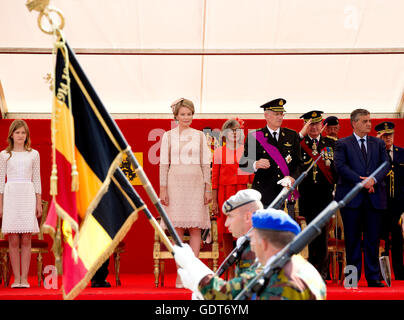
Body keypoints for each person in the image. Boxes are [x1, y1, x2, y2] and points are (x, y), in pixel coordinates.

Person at [173, 207, 326, 300]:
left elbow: (231, 294)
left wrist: (198, 277)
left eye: (253, 239)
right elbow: (237, 289)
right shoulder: (303, 268)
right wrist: (198, 273)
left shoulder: (281, 276)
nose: (251, 245)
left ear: (264, 242)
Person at [159, 98, 212, 288]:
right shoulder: (167, 136)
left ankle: (194, 274)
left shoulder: (199, 136)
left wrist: (208, 188)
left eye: (189, 114)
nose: (186, 117)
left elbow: (206, 164)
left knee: (196, 229)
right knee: (177, 231)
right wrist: (163, 188)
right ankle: (181, 274)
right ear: (176, 116)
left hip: (196, 184)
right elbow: (164, 164)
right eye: (183, 114)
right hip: (174, 184)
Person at [334, 109, 389, 287]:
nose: (369, 124)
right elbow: (340, 166)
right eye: (365, 121)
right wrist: (361, 181)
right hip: (351, 199)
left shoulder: (378, 143)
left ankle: (373, 278)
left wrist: (373, 179)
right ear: (354, 123)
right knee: (352, 240)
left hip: (374, 198)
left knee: (372, 239)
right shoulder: (342, 143)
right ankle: (352, 279)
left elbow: (386, 163)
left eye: (369, 120)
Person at [0, 120, 42, 288]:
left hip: (27, 195)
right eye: (17, 132)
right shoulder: (4, 155)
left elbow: (37, 179)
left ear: (27, 135)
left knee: (26, 239)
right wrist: (1, 204)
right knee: (13, 240)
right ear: (11, 134)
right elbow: (0, 182)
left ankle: (24, 279)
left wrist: (38, 202)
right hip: (11, 196)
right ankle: (15, 279)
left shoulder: (34, 154)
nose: (20, 135)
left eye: (23, 133)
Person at [239, 98, 303, 207]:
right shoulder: (255, 136)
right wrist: (255, 164)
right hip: (263, 193)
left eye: (281, 114)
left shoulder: (291, 136)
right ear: (266, 115)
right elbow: (243, 164)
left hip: (285, 191)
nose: (280, 117)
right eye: (276, 114)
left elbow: (299, 164)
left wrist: (293, 177)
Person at [297, 110, 336, 280]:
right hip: (306, 196)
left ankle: (321, 270)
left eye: (317, 124)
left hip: (325, 195)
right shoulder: (299, 144)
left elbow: (336, 169)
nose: (314, 127)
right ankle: (312, 270)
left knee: (323, 234)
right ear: (305, 126)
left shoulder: (331, 144)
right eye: (310, 124)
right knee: (311, 234)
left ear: (322, 125)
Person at [211, 118, 254, 272]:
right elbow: (214, 179)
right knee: (227, 232)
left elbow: (252, 177)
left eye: (237, 130)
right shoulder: (218, 152)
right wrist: (214, 201)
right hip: (224, 195)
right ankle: (229, 269)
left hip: (242, 194)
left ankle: (243, 268)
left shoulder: (247, 151)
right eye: (231, 130)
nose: (234, 133)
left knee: (243, 231)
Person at [375, 121, 404, 279]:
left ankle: (399, 271)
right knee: (381, 239)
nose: (388, 138)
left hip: (398, 204)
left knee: (397, 239)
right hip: (380, 203)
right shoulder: (375, 154)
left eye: (390, 135)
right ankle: (380, 272)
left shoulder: (402, 153)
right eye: (384, 136)